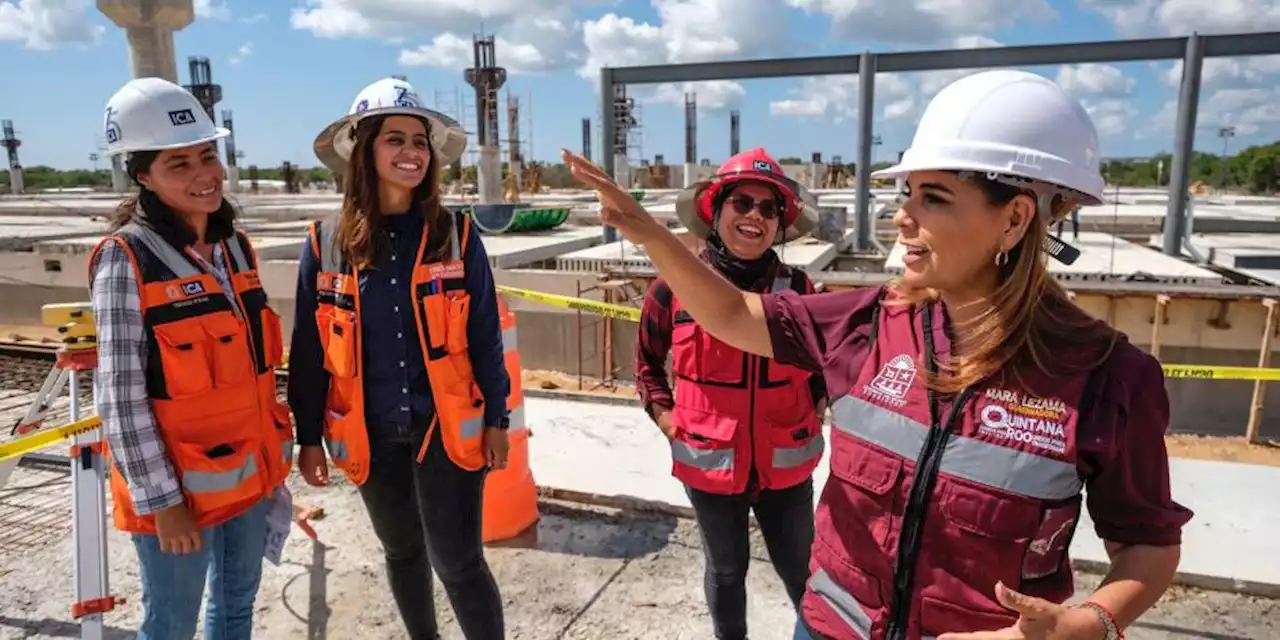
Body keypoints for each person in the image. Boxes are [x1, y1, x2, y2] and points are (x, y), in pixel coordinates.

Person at [566, 69, 1192, 640]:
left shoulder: (1108, 378)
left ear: (1015, 219)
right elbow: (731, 314)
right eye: (908, 193)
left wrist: (1086, 625)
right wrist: (648, 233)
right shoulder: (867, 322)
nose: (902, 217)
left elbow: (1147, 545)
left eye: (934, 198)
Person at [288, 76, 510, 640]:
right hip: (369, 430)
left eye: (419, 141)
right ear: (365, 149)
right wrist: (307, 435)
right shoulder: (326, 243)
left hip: (445, 428)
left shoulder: (455, 235)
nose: (411, 152)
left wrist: (498, 420)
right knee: (403, 551)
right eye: (395, 139)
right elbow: (310, 351)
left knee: (457, 562)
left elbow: (484, 334)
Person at [89, 77, 293, 639]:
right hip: (178, 491)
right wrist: (163, 502)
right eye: (178, 164)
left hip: (247, 477)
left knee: (235, 608)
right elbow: (121, 397)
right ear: (143, 175)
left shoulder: (235, 247)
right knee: (171, 624)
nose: (205, 175)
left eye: (207, 155)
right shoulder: (125, 259)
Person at [634, 148, 827, 640]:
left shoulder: (799, 290)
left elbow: (827, 364)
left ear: (779, 223)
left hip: (785, 467)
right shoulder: (672, 289)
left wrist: (817, 407)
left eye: (768, 209)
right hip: (711, 466)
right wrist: (666, 418)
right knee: (725, 571)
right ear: (715, 212)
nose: (754, 217)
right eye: (742, 203)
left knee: (803, 575)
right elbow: (647, 365)